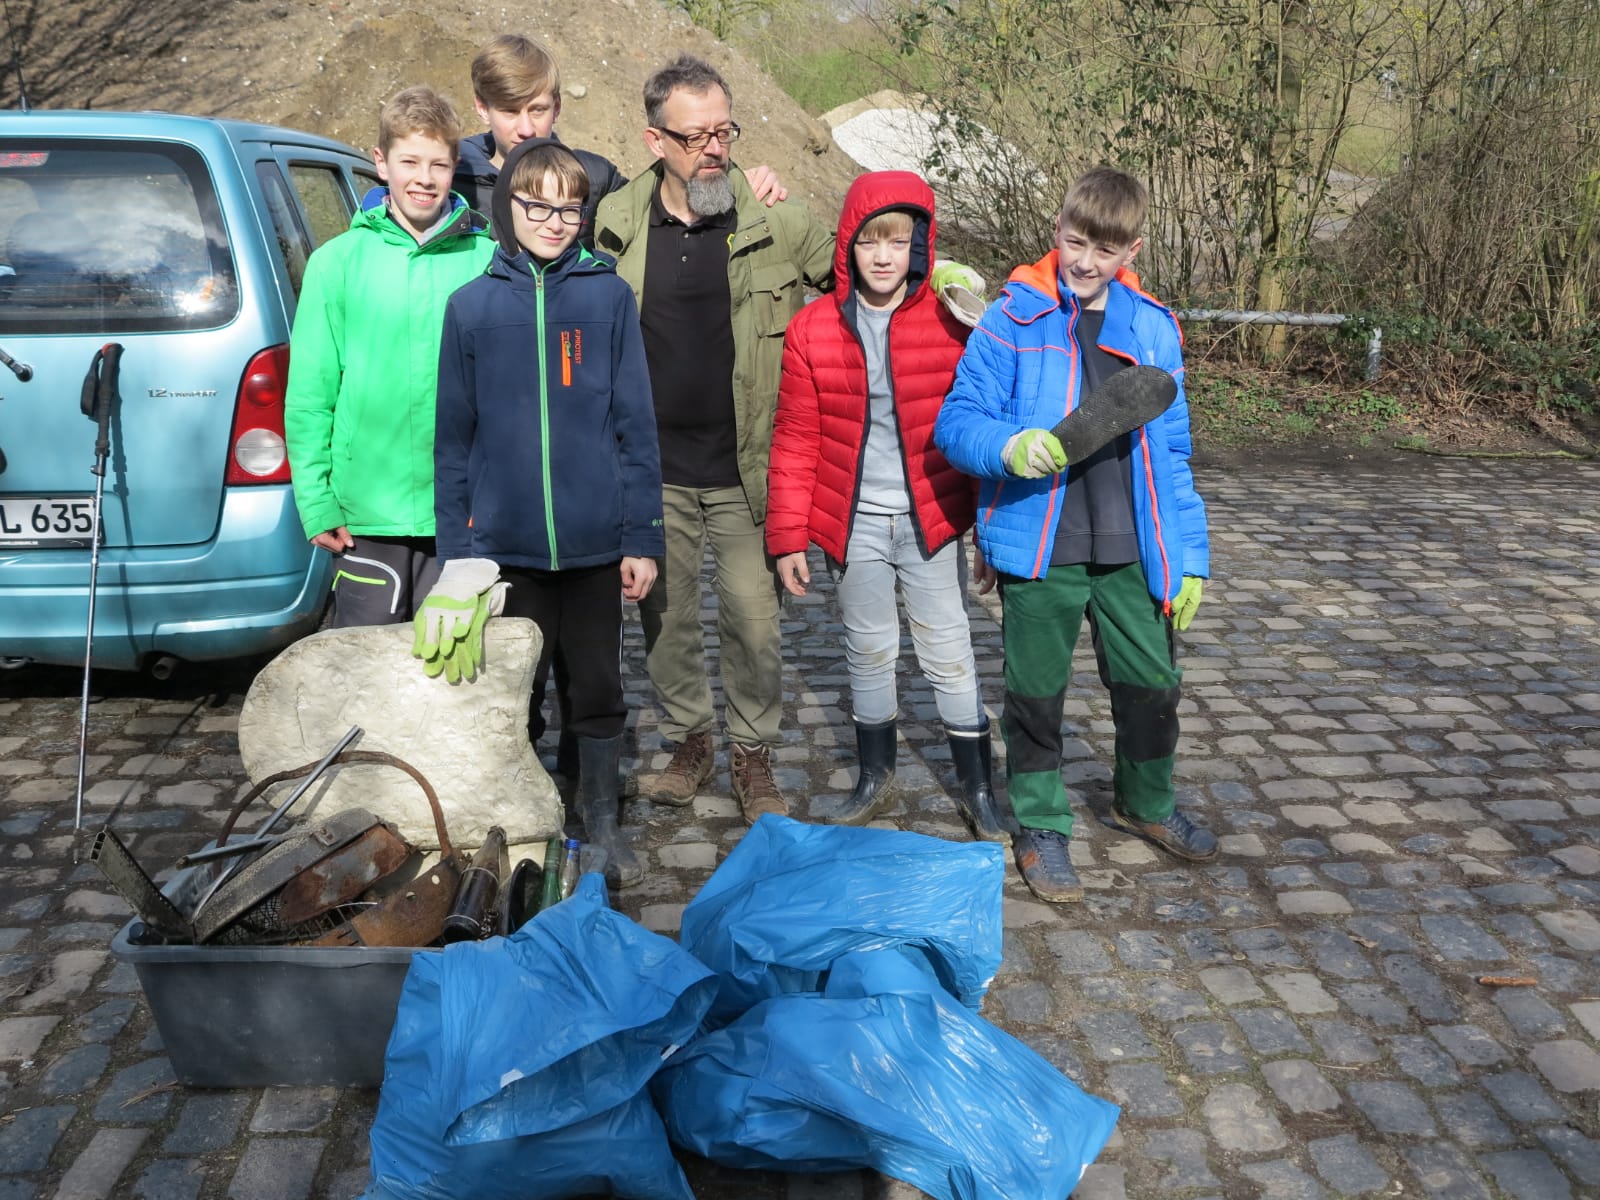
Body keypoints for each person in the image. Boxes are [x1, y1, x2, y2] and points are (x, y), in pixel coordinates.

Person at [933, 166, 1215, 904]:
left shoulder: (1152, 326)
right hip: (1039, 541)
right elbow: (956, 423)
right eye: (1074, 240)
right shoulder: (1012, 318)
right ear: (1057, 230)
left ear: (1133, 251)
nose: (1086, 260)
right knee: (1036, 696)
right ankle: (1041, 826)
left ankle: (1144, 805)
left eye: (1105, 249)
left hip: (1134, 546)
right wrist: (1010, 448)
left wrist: (1190, 558)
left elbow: (1175, 451)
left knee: (1153, 686)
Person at [595, 54, 835, 823]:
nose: (714, 150)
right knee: (664, 620)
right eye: (695, 136)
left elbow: (877, 271)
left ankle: (754, 754)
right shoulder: (615, 225)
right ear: (654, 138)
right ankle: (691, 741)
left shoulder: (779, 221)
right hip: (654, 470)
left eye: (724, 132)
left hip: (746, 470)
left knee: (753, 623)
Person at [432, 138, 663, 886]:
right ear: (508, 207)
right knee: (517, 694)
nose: (556, 221)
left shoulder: (607, 297)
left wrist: (641, 536)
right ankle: (526, 817)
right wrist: (458, 548)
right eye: (538, 206)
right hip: (507, 549)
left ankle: (601, 821)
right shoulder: (470, 308)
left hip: (594, 547)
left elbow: (635, 424)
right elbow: (453, 439)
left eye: (571, 208)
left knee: (597, 690)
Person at [766, 170, 1006, 842]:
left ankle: (980, 787)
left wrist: (987, 529)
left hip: (930, 521)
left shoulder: (953, 322)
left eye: (897, 242)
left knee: (949, 650)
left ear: (920, 247)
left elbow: (981, 426)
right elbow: (795, 438)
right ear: (848, 245)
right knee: (868, 650)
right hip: (855, 523)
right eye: (870, 241)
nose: (882, 256)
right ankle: (875, 777)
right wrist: (789, 536)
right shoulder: (813, 331)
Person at [285, 86, 496, 628]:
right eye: (409, 162)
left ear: (454, 168)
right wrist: (316, 500)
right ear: (381, 163)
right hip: (366, 514)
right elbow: (310, 395)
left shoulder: (488, 261)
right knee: (367, 673)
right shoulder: (336, 264)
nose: (424, 178)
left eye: (439, 165)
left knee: (450, 670)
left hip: (463, 508)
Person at [455, 34, 788, 248]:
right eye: (510, 112)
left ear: (557, 107)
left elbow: (669, 203)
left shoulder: (595, 178)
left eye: (538, 109)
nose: (526, 128)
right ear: (482, 108)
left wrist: (737, 181)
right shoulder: (452, 181)